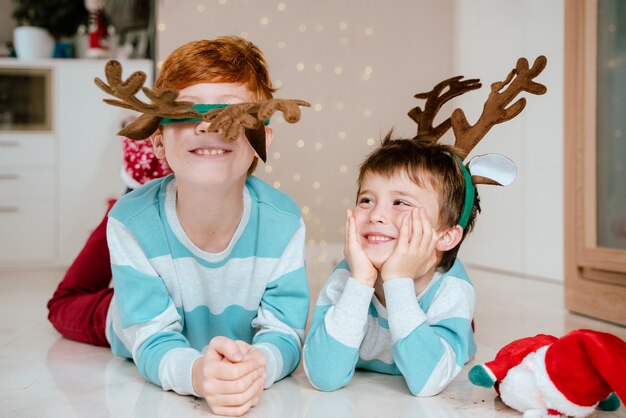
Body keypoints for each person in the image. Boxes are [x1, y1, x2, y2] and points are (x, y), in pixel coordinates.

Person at [47, 36, 310, 417]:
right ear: (156, 139)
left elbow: (286, 334)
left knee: (135, 218)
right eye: (186, 112)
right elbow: (152, 338)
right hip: (131, 310)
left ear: (262, 137)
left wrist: (259, 365)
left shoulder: (284, 222)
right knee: (65, 302)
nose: (208, 125)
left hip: (170, 275)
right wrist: (197, 374)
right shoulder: (131, 222)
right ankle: (126, 212)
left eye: (229, 113)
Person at [303, 134, 480, 397]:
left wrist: (398, 281)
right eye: (366, 200)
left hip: (436, 345)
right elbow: (324, 377)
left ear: (444, 236)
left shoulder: (452, 289)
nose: (375, 215)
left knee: (450, 336)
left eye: (400, 203)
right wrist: (360, 281)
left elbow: (426, 384)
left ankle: (462, 332)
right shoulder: (346, 275)